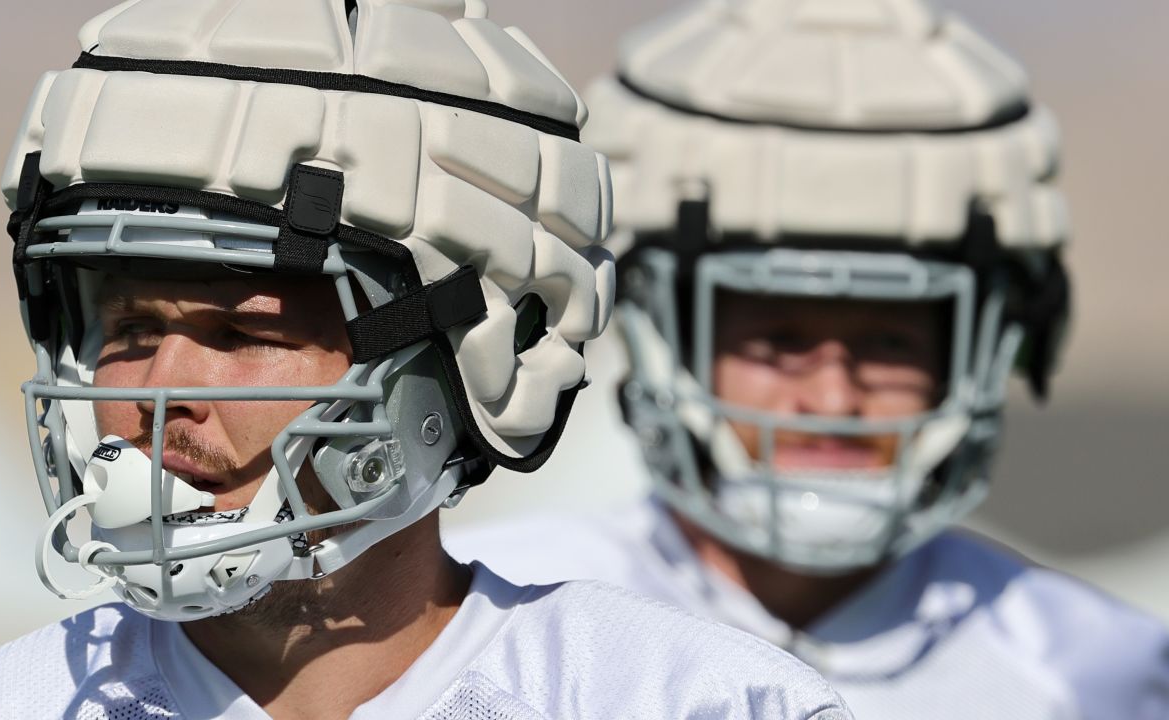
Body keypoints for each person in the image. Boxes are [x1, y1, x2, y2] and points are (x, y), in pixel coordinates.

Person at [0, 2, 854, 719]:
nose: (159, 392)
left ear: (470, 359)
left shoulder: (693, 703)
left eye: (245, 335)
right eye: (131, 332)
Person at [447, 0, 1169, 718]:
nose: (831, 399)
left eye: (891, 344)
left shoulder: (1095, 671)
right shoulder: (481, 619)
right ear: (667, 338)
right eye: (778, 340)